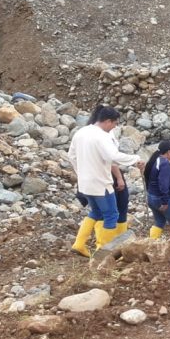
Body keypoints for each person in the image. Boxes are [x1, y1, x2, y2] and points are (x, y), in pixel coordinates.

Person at [67, 107, 143, 251]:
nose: (115, 127)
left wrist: (81, 172)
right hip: (101, 183)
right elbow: (113, 156)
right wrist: (135, 159)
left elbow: (71, 156)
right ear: (108, 121)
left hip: (85, 183)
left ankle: (79, 244)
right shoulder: (101, 136)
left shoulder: (81, 132)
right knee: (111, 215)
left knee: (96, 212)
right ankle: (103, 251)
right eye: (115, 123)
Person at [144, 140, 170, 242]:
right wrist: (165, 201)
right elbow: (163, 183)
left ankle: (151, 241)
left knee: (160, 221)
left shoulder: (154, 161)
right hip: (161, 198)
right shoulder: (165, 163)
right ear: (168, 152)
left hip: (151, 196)